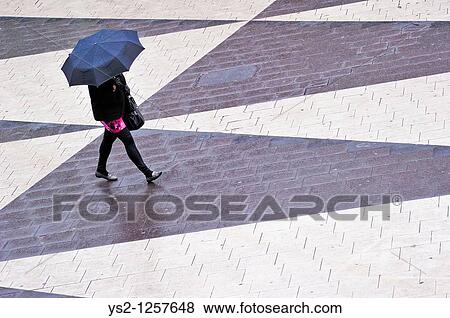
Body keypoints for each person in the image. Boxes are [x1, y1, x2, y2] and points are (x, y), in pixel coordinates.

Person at [88, 73, 162, 182]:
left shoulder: (111, 71)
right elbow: (100, 98)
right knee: (128, 140)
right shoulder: (95, 77)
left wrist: (119, 85)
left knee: (108, 140)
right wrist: (113, 88)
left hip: (118, 112)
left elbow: (122, 85)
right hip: (110, 116)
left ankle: (101, 169)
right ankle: (147, 172)